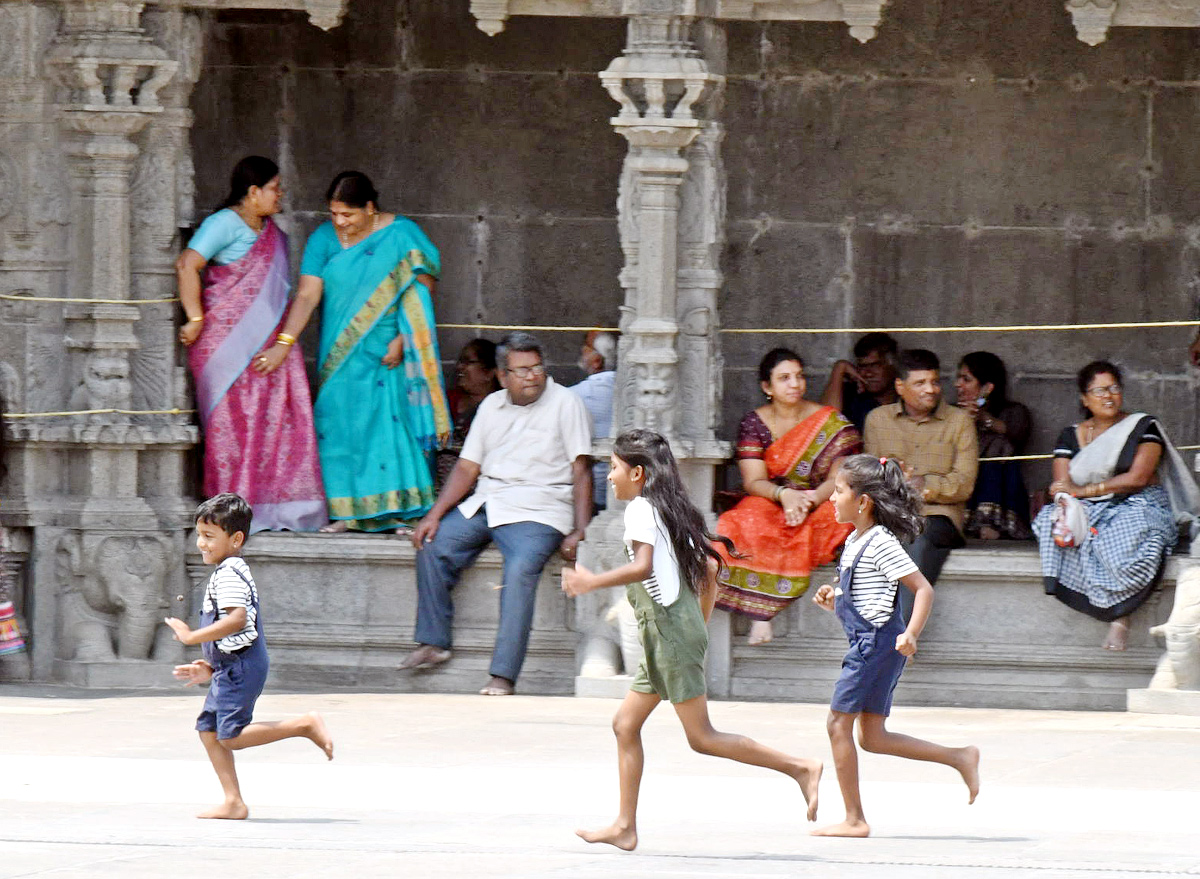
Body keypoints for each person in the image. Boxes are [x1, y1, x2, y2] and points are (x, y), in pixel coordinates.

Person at [561, 429, 823, 851]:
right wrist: (696, 627)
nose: (609, 476)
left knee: (702, 738)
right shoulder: (668, 509)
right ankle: (625, 826)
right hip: (668, 631)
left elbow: (643, 567)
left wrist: (592, 581)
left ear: (638, 472)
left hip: (667, 631)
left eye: (613, 467)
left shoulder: (642, 509)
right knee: (625, 724)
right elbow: (708, 570)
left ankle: (800, 768)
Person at [257, 170, 450, 533]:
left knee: (388, 423)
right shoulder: (324, 239)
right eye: (334, 214)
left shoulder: (402, 234)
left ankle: (397, 512)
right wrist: (284, 342)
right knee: (338, 423)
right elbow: (308, 294)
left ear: (370, 208)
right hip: (340, 351)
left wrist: (404, 341)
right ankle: (346, 513)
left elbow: (422, 290)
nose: (340, 222)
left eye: (349, 215)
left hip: (388, 347)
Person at [401, 332, 592, 696]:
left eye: (536, 368)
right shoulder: (491, 406)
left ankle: (503, 674)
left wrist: (580, 530)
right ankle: (434, 641)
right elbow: (466, 468)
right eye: (521, 371)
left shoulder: (566, 403)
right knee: (433, 543)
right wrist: (434, 514)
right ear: (502, 376)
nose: (531, 376)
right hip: (489, 499)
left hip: (541, 506)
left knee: (519, 571)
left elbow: (581, 469)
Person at [811, 454, 980, 838]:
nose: (831, 499)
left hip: (877, 643)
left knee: (838, 724)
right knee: (872, 737)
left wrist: (912, 633)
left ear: (863, 501)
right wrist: (834, 597)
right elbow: (867, 594)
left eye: (838, 492)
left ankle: (854, 819)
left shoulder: (880, 543)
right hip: (870, 640)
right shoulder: (856, 539)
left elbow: (922, 589)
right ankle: (959, 757)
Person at [176, 156, 325, 533]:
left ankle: (273, 510)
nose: (281, 195)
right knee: (229, 428)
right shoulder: (224, 223)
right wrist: (195, 317)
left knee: (274, 422)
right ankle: (229, 513)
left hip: (268, 345)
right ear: (253, 191)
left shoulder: (271, 233)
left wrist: (281, 344)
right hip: (225, 347)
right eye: (275, 188)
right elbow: (187, 265)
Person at [164, 493, 333, 820]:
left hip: (242, 665)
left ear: (236, 538)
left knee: (232, 736)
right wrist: (210, 667)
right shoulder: (226, 570)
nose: (201, 543)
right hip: (232, 664)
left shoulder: (228, 573)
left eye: (209, 536)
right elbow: (234, 630)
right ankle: (233, 801)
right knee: (209, 730)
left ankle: (304, 724)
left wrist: (190, 637)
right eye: (199, 535)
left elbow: (237, 619)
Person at [1032, 361, 1200, 651]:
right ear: (1084, 398)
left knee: (1135, 527)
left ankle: (1120, 618)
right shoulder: (1070, 436)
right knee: (1051, 520)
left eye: (1114, 388)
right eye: (1099, 391)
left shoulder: (1142, 427)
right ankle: (1107, 607)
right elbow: (1062, 484)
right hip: (1087, 507)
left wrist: (1085, 490)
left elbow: (1138, 478)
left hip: (1137, 501)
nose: (1108, 396)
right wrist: (1066, 496)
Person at [715, 348, 861, 645]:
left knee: (838, 519)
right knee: (746, 519)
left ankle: (764, 613)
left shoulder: (829, 421)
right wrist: (784, 496)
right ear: (767, 387)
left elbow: (839, 478)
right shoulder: (754, 423)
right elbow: (753, 480)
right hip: (771, 497)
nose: (795, 384)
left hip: (819, 498)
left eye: (799, 376)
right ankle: (760, 615)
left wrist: (808, 499)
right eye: (784, 378)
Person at [864, 349, 978, 595]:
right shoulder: (877, 420)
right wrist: (896, 482)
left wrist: (922, 485)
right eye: (920, 383)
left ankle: (900, 629)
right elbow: (871, 479)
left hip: (939, 517)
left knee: (916, 538)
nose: (931, 389)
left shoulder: (959, 421)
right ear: (900, 386)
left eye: (935, 381)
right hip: (891, 516)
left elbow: (965, 483)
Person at [953, 351, 1033, 540]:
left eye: (966, 379)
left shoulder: (1013, 411)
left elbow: (1016, 433)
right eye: (958, 379)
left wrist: (983, 418)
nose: (958, 385)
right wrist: (962, 422)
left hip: (1004, 495)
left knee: (999, 444)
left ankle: (989, 521)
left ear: (987, 388)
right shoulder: (949, 413)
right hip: (961, 487)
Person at [435, 338, 500, 490]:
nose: (459, 367)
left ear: (489, 373)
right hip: (444, 491)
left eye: (467, 362)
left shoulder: (501, 407)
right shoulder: (446, 402)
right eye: (460, 362)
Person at [569, 331, 618, 512]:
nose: (582, 352)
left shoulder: (573, 396)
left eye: (586, 349)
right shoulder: (629, 392)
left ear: (597, 361)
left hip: (590, 492)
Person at [821, 332, 900, 434]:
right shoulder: (850, 394)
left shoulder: (905, 396)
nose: (868, 374)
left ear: (892, 365)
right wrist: (840, 368)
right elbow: (824, 425)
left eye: (875, 366)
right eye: (862, 366)